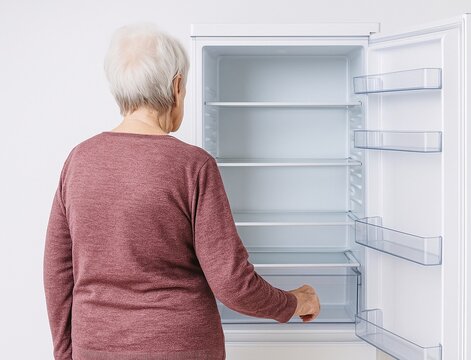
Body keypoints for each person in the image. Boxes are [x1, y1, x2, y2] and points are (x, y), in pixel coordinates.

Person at [43, 23, 320, 360]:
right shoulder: (193, 165)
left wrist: (65, 353)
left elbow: (58, 273)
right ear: (176, 87)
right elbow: (233, 284)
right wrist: (294, 302)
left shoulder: (79, 160)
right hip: (181, 346)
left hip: (95, 347)